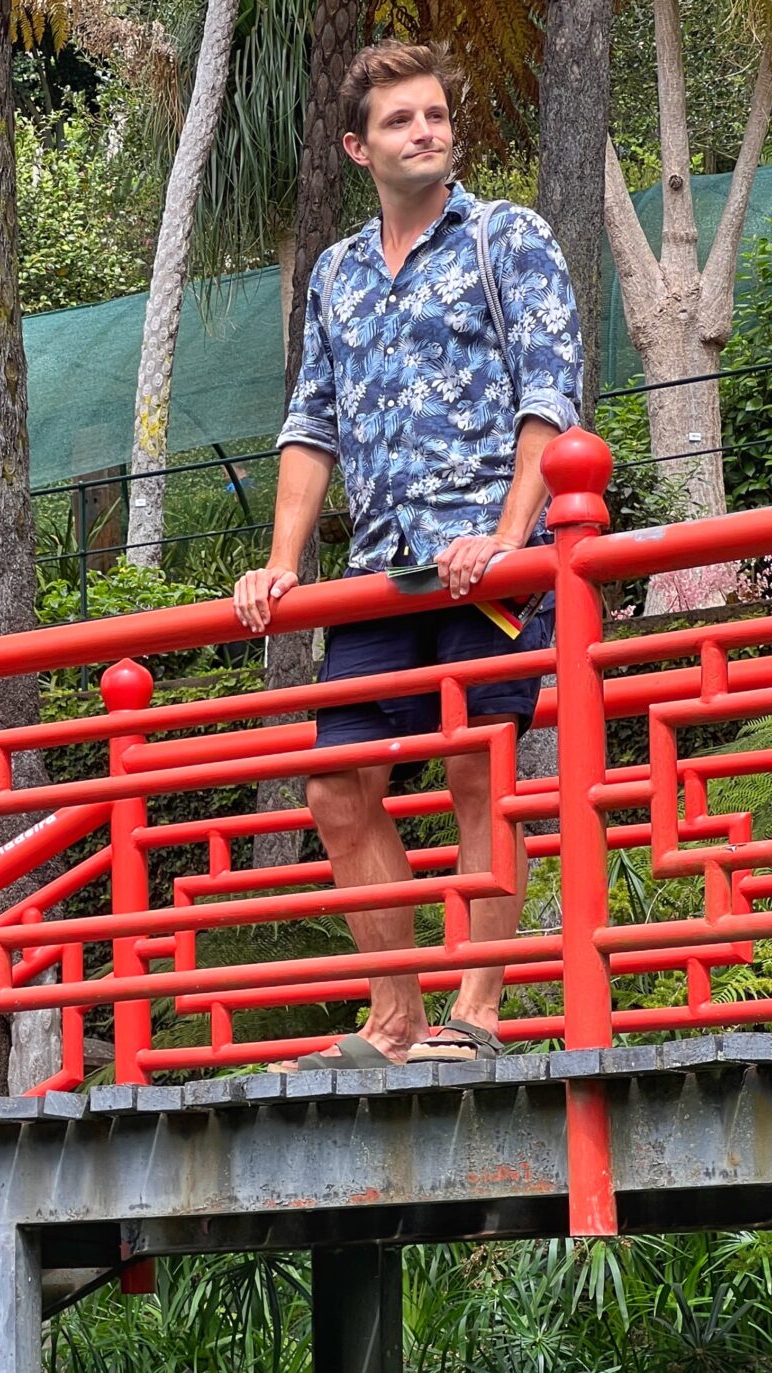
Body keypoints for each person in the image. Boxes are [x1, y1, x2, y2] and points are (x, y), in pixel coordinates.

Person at [232, 39, 583, 1069]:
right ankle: (396, 1016)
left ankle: (475, 1013)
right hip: (382, 570)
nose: (424, 131)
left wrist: (511, 538)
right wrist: (280, 561)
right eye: (400, 120)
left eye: (434, 115)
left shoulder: (505, 238)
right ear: (357, 146)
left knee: (482, 774)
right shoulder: (337, 274)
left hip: (489, 560)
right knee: (338, 785)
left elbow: (550, 397)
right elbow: (313, 422)